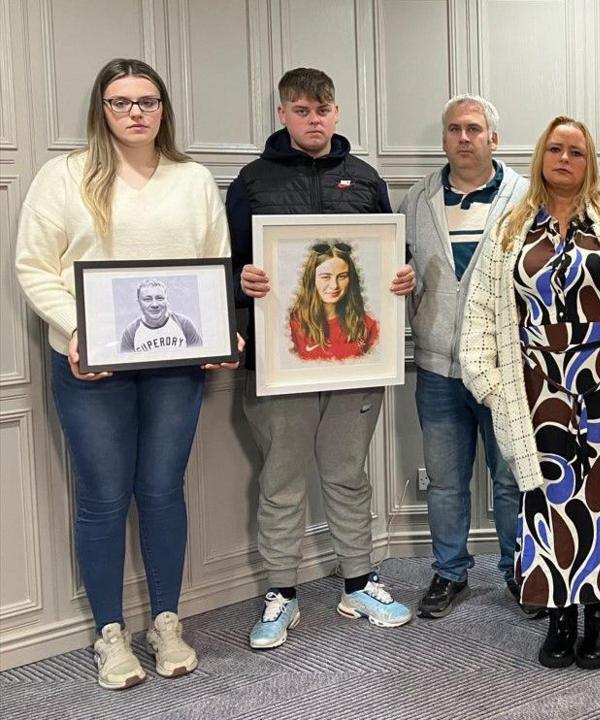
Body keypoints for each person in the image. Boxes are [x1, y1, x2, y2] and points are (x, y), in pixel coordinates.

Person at [14, 57, 238, 689]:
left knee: (163, 491)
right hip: (91, 366)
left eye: (147, 101)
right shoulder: (64, 176)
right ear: (102, 109)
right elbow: (34, 267)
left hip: (173, 365)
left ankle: (166, 621)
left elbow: (211, 265)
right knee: (103, 498)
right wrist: (78, 329)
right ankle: (109, 632)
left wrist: (221, 330)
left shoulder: (192, 179)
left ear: (163, 109)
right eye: (121, 102)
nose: (135, 112)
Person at [460, 116, 600, 670]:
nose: (564, 159)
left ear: (589, 160)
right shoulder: (511, 225)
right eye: (555, 149)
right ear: (540, 156)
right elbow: (482, 308)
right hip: (535, 387)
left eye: (575, 151)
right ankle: (559, 615)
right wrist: (483, 377)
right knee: (547, 498)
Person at [227, 67, 416, 649]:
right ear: (283, 112)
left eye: (323, 110)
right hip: (277, 358)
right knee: (281, 480)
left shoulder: (362, 177)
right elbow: (227, 262)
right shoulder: (252, 181)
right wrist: (243, 280)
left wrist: (401, 272)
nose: (314, 121)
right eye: (302, 110)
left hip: (356, 359)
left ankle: (358, 580)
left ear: (337, 113)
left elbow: (388, 253)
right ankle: (281, 593)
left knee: (347, 474)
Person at [398, 94, 531, 619]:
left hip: (504, 368)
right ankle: (449, 572)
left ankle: (518, 570)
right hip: (436, 369)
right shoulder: (416, 200)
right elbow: (395, 277)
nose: (464, 137)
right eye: (454, 128)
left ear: (494, 138)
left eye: (474, 128)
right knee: (446, 479)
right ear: (444, 137)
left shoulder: (525, 197)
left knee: (511, 477)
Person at [287, 240, 378, 361]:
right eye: (325, 277)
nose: (334, 286)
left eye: (342, 276)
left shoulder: (368, 325)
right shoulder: (293, 323)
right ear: (311, 279)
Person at [121, 279, 203, 352]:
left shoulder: (184, 323)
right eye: (147, 299)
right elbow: (124, 365)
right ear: (139, 303)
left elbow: (201, 355)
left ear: (167, 300)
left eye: (159, 298)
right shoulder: (130, 333)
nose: (154, 304)